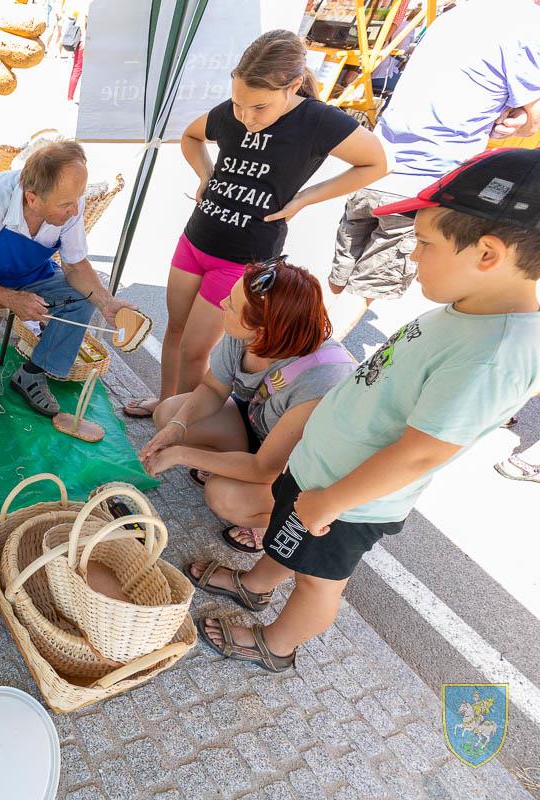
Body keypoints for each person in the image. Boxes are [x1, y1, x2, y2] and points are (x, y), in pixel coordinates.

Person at [183, 148, 540, 672]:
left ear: (487, 254)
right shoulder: (467, 309)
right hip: (321, 471)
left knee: (317, 581)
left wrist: (332, 501)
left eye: (425, 243)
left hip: (349, 500)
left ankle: (276, 645)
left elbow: (421, 454)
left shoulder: (494, 355)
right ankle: (255, 584)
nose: (412, 256)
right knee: (286, 533)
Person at [123, 30, 385, 419]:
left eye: (259, 107)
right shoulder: (237, 109)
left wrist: (305, 198)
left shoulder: (317, 120)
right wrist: (205, 174)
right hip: (196, 239)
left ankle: (180, 426)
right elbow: (192, 136)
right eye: (238, 104)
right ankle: (165, 404)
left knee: (195, 350)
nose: (246, 117)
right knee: (175, 330)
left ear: (293, 86)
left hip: (243, 259)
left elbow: (376, 163)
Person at [327, 0, 540, 340]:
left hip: (374, 165)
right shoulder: (530, 25)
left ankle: (300, 340)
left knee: (341, 277)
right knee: (365, 289)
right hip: (424, 179)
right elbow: (533, 117)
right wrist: (521, 120)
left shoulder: (458, 13)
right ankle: (307, 357)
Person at [139, 260, 354, 553]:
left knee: (223, 495)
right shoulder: (244, 332)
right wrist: (177, 427)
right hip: (257, 428)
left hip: (295, 474)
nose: (222, 303)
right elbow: (213, 388)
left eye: (231, 305)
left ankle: (267, 520)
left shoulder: (321, 380)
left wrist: (180, 454)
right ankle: (226, 467)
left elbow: (265, 468)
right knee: (168, 413)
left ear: (261, 331)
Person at [0, 140, 138, 422]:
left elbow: (75, 265)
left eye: (78, 199)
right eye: (66, 205)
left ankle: (32, 373)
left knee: (82, 300)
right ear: (32, 199)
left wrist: (106, 302)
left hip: (29, 271)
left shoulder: (71, 201)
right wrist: (11, 298)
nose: (75, 210)